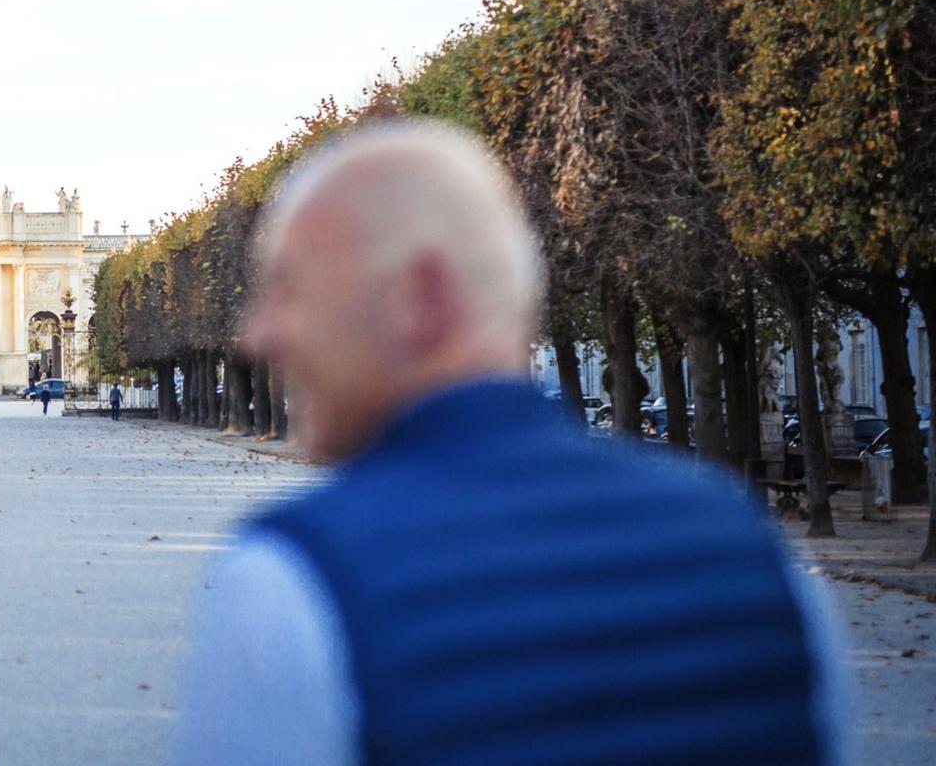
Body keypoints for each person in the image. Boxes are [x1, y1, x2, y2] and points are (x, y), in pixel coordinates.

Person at [174, 120, 847, 765]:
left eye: (288, 288)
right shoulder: (763, 561)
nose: (256, 337)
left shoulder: (292, 579)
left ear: (421, 298)